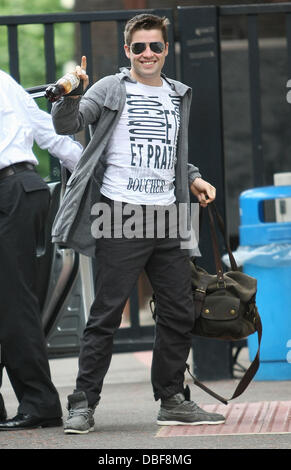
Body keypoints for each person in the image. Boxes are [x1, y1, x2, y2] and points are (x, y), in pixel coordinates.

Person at [51, 13, 225, 434]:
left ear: (166, 51)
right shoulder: (112, 88)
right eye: (139, 47)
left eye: (156, 46)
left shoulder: (177, 93)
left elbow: (171, 151)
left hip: (170, 214)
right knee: (106, 315)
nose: (148, 54)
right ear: (128, 50)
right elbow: (68, 124)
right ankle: (82, 404)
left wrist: (193, 177)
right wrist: (70, 91)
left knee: (180, 311)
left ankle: (172, 399)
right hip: (121, 213)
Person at [0, 69, 83, 431]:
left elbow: (45, 128)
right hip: (20, 190)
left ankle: (41, 403)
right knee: (11, 301)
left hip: (10, 189)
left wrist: (89, 171)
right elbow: (44, 127)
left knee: (13, 302)